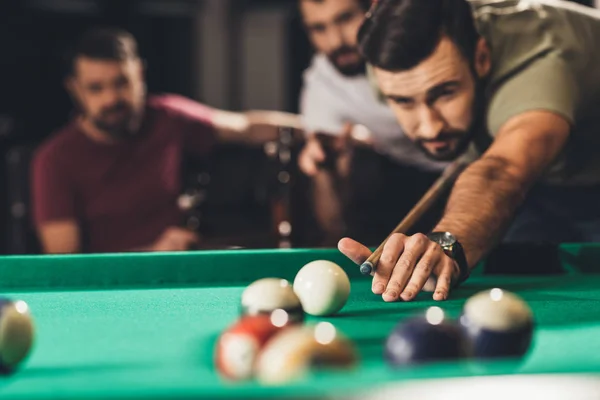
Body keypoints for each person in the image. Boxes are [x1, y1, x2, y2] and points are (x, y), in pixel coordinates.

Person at [338, 0, 600, 302]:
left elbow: (503, 169)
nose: (429, 127)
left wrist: (447, 243)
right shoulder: (388, 62)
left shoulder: (544, 59)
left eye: (445, 93)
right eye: (404, 101)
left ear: (482, 58)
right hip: (540, 189)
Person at [31, 27, 301, 254]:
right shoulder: (54, 160)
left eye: (121, 83)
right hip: (108, 291)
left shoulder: (168, 117)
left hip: (182, 274)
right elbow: (66, 264)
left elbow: (246, 126)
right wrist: (152, 252)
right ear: (75, 89)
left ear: (140, 75)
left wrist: (321, 130)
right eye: (96, 88)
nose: (111, 99)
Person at [297, 0, 449, 245]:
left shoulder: (428, 40)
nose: (336, 41)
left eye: (345, 19)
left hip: (482, 163)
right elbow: (332, 223)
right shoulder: (323, 85)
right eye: (319, 28)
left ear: (374, 8)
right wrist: (326, 167)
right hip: (410, 184)